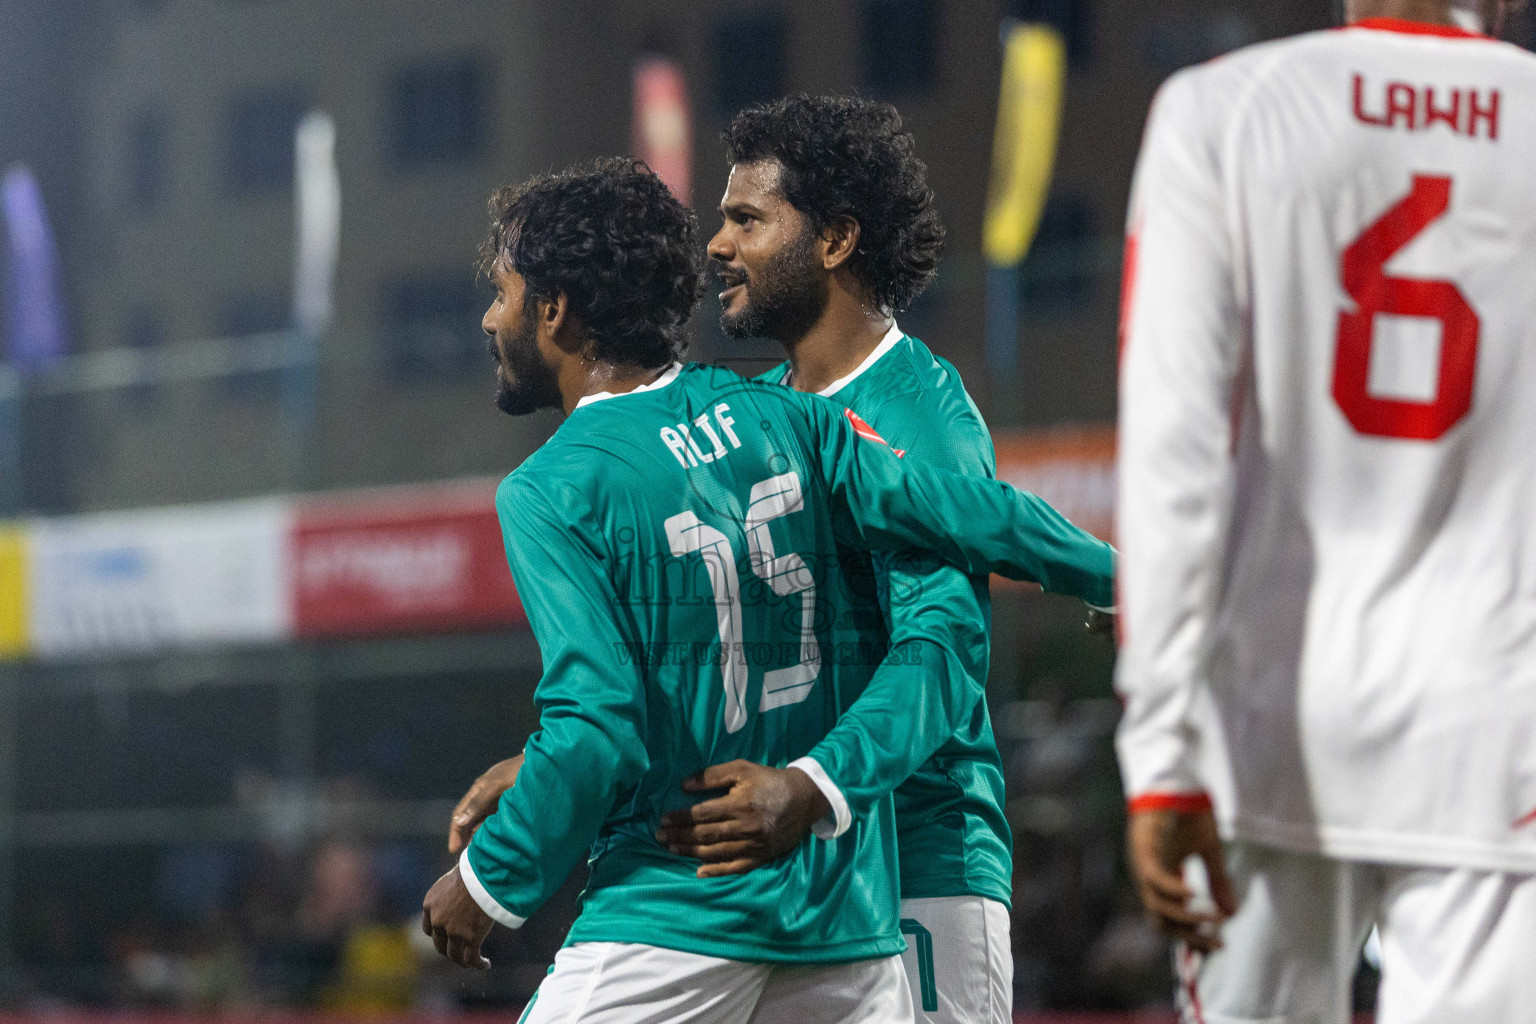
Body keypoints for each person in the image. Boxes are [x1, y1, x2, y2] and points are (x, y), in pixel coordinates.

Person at [421, 158, 1114, 1023]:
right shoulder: (790, 418)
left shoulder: (552, 488)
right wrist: (1121, 577)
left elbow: (600, 724)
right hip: (845, 928)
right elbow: (971, 512)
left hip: (678, 908)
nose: (491, 317)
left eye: (503, 292)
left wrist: (485, 886)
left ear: (555, 309)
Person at [1116, 1, 1536, 1022]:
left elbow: (1175, 456)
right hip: (1501, 725)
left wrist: (1159, 749)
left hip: (1266, 727)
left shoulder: (1220, 110)